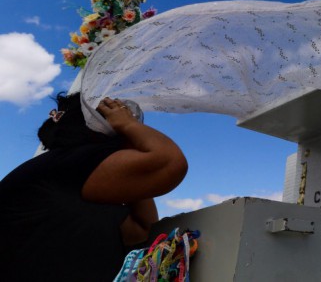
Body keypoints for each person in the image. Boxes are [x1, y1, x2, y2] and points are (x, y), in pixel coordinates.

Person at [0, 93, 188, 281]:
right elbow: (169, 163)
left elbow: (141, 230)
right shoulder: (68, 164)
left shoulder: (70, 190)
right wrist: (129, 126)